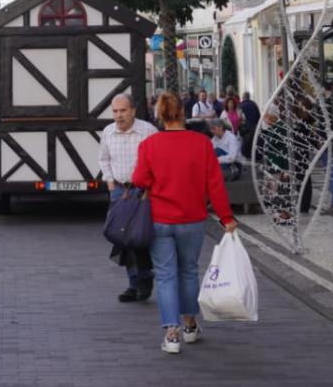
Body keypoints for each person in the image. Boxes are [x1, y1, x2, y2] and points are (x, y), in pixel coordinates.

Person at [131, 92, 238, 354]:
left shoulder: (149, 145)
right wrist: (226, 218)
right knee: (189, 270)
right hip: (192, 217)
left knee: (166, 275)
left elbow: (139, 179)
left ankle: (172, 333)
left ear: (159, 115)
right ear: (181, 113)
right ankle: (190, 325)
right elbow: (215, 185)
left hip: (159, 218)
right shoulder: (201, 144)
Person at [97, 93, 158, 303]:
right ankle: (134, 283)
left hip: (142, 193)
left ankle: (145, 279)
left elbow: (157, 163)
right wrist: (110, 183)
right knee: (122, 238)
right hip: (119, 191)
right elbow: (103, 159)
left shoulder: (148, 132)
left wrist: (148, 191)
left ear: (133, 111)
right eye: (115, 111)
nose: (118, 116)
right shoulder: (108, 132)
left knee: (140, 238)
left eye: (123, 111)